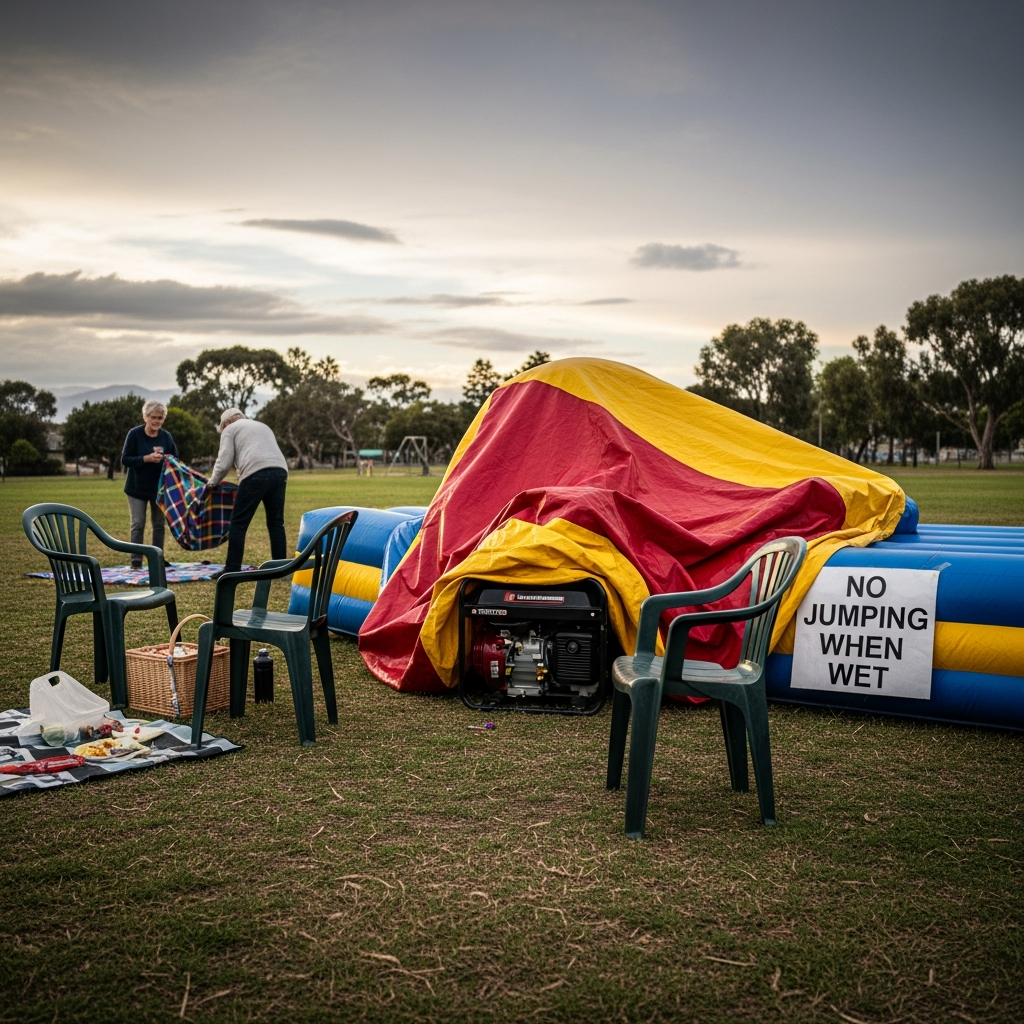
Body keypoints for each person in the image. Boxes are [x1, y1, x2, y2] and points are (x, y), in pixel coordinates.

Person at [209, 408, 290, 573]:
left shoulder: (230, 430)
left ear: (227, 423)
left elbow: (224, 462)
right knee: (276, 523)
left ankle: (232, 568)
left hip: (255, 472)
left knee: (238, 523)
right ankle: (281, 567)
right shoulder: (262, 426)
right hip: (280, 471)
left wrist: (212, 483)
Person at [121, 400, 177, 569]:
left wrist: (167, 459)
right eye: (153, 417)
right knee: (138, 524)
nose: (157, 421)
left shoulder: (166, 436)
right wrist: (146, 459)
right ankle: (136, 561)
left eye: (160, 418)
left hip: (159, 488)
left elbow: (175, 458)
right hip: (136, 488)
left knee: (159, 525)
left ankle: (157, 559)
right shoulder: (134, 434)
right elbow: (125, 459)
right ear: (145, 417)